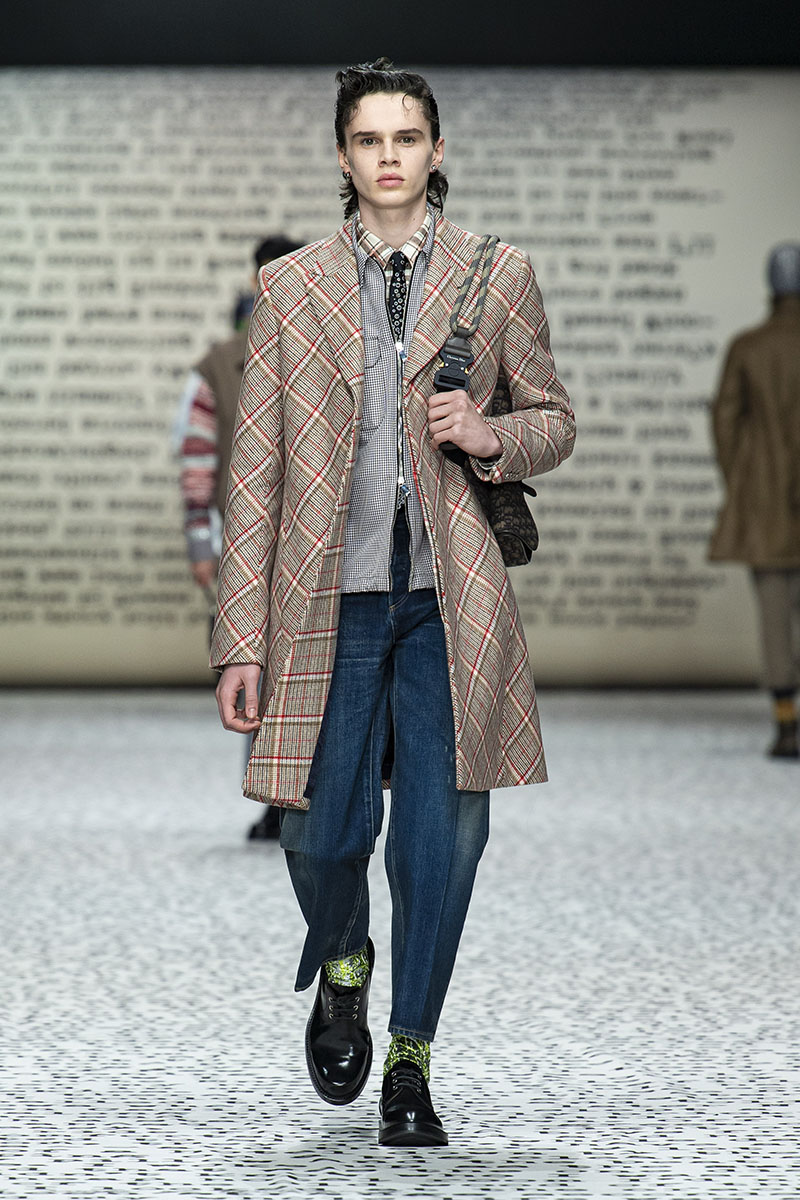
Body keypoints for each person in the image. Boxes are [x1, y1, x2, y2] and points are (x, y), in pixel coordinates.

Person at [211, 58, 575, 1145]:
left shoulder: (497, 275)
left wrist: (492, 435)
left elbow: (554, 419)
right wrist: (238, 639)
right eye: (367, 140)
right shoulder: (291, 289)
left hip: (450, 601)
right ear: (342, 154)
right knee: (317, 833)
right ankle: (344, 958)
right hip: (327, 599)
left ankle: (411, 1058)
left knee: (439, 839)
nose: (387, 157)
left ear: (435, 150)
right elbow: (254, 474)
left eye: (405, 138)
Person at [178, 235, 303, 838]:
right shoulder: (221, 366)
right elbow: (197, 460)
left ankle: (301, 797)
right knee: (252, 665)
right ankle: (273, 796)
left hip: (315, 540)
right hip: (246, 545)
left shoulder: (327, 351)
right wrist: (202, 545)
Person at [709, 243, 800, 760]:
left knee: (774, 616)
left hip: (765, 502)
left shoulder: (749, 347)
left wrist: (743, 482)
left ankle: (786, 723)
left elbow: (725, 424)